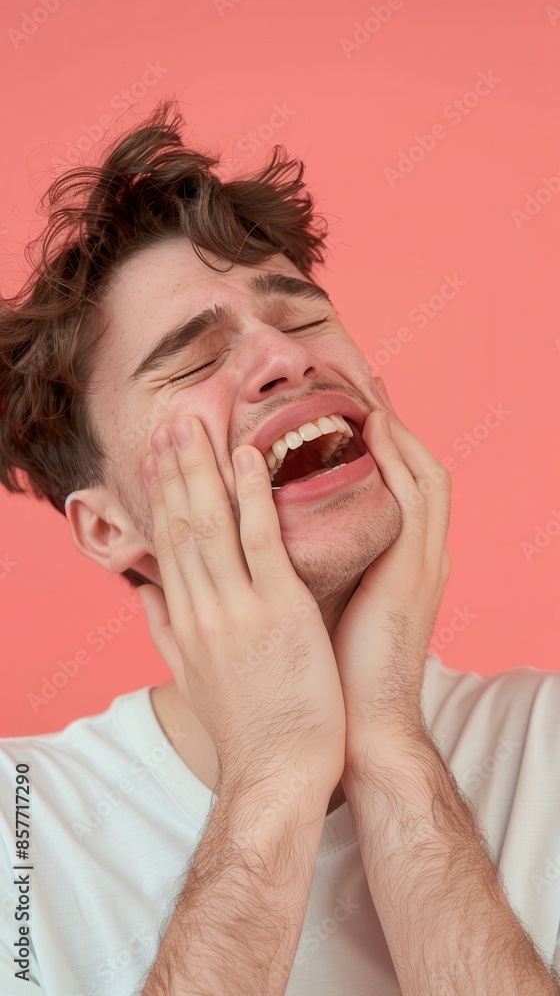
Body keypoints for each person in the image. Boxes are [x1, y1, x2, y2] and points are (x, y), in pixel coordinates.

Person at [0, 97, 559, 996]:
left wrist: (386, 745)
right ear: (109, 527)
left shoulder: (548, 744)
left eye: (302, 320)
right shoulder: (17, 828)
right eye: (189, 360)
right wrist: (274, 772)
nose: (283, 359)